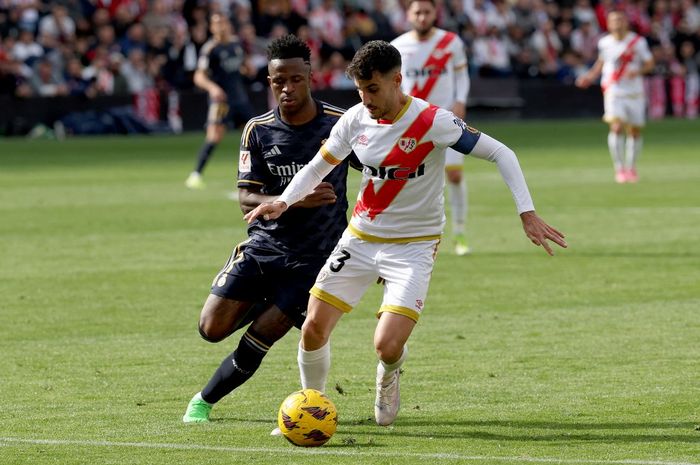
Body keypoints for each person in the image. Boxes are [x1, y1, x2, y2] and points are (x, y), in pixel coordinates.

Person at [245, 41, 567, 427]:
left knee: (386, 344)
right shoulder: (354, 119)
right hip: (361, 239)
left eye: (374, 89)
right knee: (313, 326)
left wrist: (526, 212)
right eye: (360, 90)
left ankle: (389, 373)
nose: (366, 99)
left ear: (397, 80)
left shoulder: (433, 121)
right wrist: (283, 202)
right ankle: (313, 408)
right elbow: (317, 166)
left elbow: (502, 153)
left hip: (414, 246)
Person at [182, 35, 358, 423]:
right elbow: (246, 198)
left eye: (295, 79)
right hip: (264, 248)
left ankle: (202, 402)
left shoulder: (340, 125)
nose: (287, 88)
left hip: (315, 259)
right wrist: (295, 198)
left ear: (310, 77)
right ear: (269, 79)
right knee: (210, 329)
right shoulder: (257, 130)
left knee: (263, 334)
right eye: (279, 81)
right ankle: (268, 300)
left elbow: (378, 171)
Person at [391, 0, 472, 255]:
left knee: (455, 175)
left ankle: (459, 232)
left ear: (435, 13)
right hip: (413, 123)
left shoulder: (451, 42)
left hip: (447, 119)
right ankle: (410, 236)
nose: (422, 17)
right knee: (408, 179)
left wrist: (461, 101)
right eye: (418, 12)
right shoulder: (398, 46)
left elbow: (462, 75)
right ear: (409, 14)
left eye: (427, 12)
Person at [575, 11, 654, 184]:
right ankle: (619, 168)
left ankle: (631, 167)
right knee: (616, 126)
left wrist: (638, 71)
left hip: (634, 92)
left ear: (626, 22)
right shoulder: (605, 42)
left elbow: (649, 63)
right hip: (614, 90)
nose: (616, 23)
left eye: (619, 19)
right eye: (613, 20)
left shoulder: (637, 42)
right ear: (609, 24)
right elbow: (601, 63)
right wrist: (589, 77)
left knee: (634, 131)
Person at [185, 14, 255, 190]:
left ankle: (256, 175)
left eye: (223, 22)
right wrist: (213, 88)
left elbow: (245, 66)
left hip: (240, 99)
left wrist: (248, 69)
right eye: (217, 24)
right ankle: (195, 175)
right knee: (214, 135)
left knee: (254, 137)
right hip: (222, 102)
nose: (221, 26)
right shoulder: (210, 49)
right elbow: (198, 76)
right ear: (212, 28)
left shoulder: (236, 45)